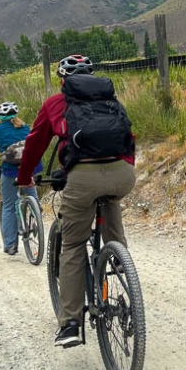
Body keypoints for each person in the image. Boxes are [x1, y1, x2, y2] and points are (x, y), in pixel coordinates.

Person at [17, 55, 136, 348]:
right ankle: (118, 258)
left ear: (62, 80)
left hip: (83, 179)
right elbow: (128, 138)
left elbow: (35, 143)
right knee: (109, 197)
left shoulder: (55, 103)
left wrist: (24, 178)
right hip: (124, 173)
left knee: (71, 244)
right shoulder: (112, 101)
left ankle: (70, 323)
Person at [0, 102, 43, 255]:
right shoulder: (25, 127)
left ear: (0, 117)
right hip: (29, 168)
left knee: (8, 205)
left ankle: (10, 245)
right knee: (31, 193)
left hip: (10, 170)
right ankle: (36, 214)